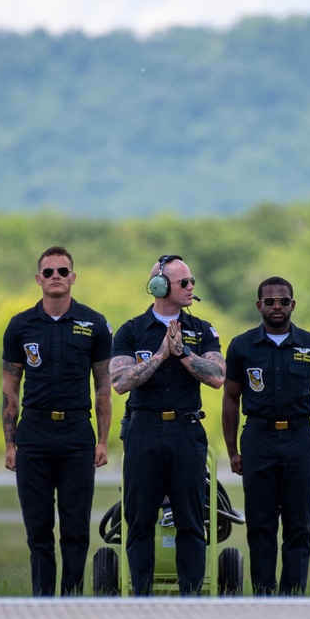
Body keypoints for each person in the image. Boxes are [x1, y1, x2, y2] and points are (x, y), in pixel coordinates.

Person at [109, 255, 225, 595]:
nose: (191, 288)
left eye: (192, 282)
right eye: (184, 282)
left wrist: (185, 353)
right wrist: (160, 356)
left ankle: (191, 597)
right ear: (160, 287)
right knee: (140, 519)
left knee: (191, 519)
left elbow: (218, 376)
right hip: (143, 430)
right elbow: (119, 382)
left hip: (186, 432)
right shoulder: (131, 331)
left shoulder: (202, 330)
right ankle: (141, 596)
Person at [1, 246, 113, 596]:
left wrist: (102, 440)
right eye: (48, 272)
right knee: (38, 528)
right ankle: (42, 600)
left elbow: (104, 389)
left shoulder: (93, 324)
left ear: (73, 278)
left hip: (77, 432)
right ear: (38, 279)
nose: (55, 278)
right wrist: (9, 442)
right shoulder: (20, 325)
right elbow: (10, 388)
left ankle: (72, 597)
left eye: (63, 272)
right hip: (33, 432)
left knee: (76, 526)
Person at [222, 277, 310, 595]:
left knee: (299, 525)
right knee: (261, 525)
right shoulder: (242, 346)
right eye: (269, 301)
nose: (276, 307)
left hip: (299, 438)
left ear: (293, 305)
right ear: (258, 305)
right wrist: (232, 450)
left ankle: (293, 595)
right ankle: (263, 594)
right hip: (258, 438)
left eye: (283, 301)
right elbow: (230, 399)